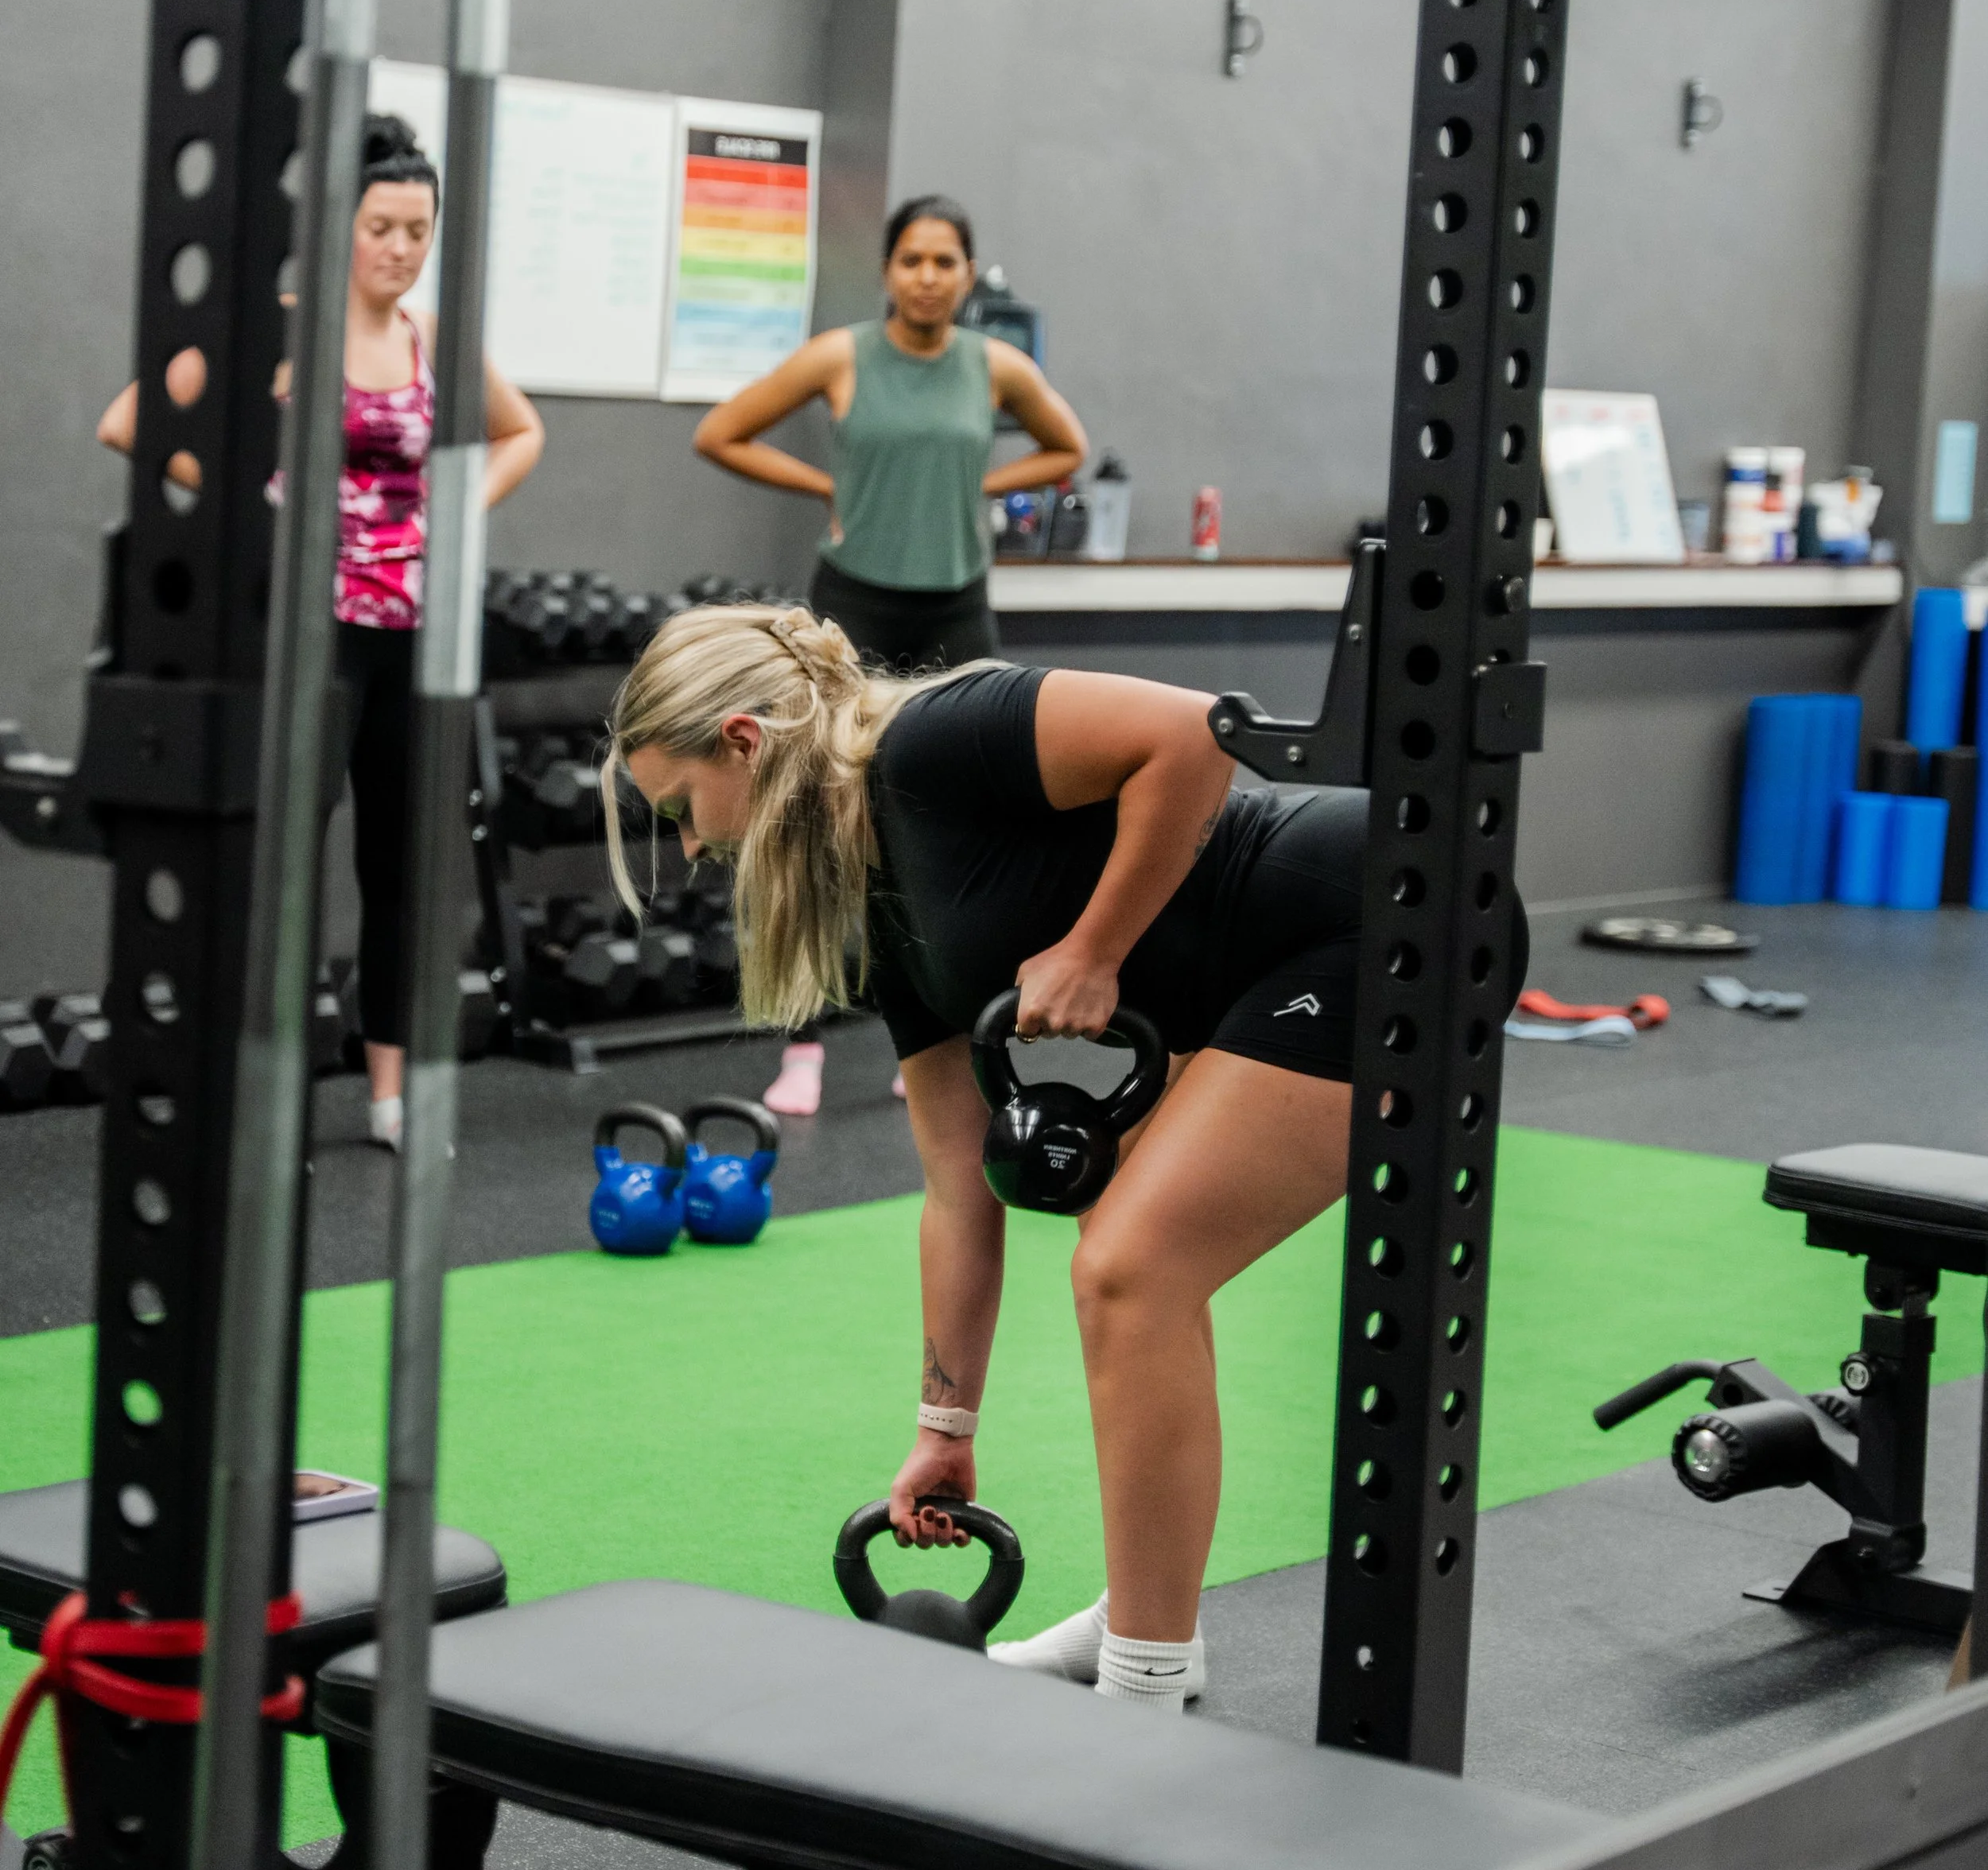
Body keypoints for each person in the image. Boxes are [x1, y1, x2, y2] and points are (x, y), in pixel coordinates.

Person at [603, 603, 1524, 1710]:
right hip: (1266, 969)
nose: (694, 847)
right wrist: (945, 1428)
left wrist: (1096, 950)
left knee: (1132, 1268)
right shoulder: (876, 897)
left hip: (1387, 911)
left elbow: (1193, 732)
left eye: (682, 808)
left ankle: (1144, 1675)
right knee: (1123, 1260)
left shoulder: (933, 738)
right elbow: (956, 1187)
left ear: (743, 742)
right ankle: (1142, 1622)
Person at [100, 113, 544, 1150]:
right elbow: (130, 420)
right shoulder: (281, 332)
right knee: (283, 866)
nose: (400, 248)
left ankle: (388, 1096)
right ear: (341, 225)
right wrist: (256, 510)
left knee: (402, 870)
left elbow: (522, 431)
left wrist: (459, 510)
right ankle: (266, 1086)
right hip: (309, 639)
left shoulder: (435, 337)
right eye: (383, 226)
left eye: (418, 230)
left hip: (411, 638)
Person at [692, 197, 1086, 1117]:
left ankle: (939, 1039)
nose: (927, 276)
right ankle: (803, 1048)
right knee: (816, 821)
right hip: (852, 611)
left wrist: (975, 481)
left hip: (956, 611)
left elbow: (1067, 448)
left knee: (963, 827)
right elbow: (721, 433)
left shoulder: (994, 367)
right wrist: (826, 482)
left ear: (965, 273)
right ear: (887, 270)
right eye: (911, 259)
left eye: (945, 261)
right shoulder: (842, 356)